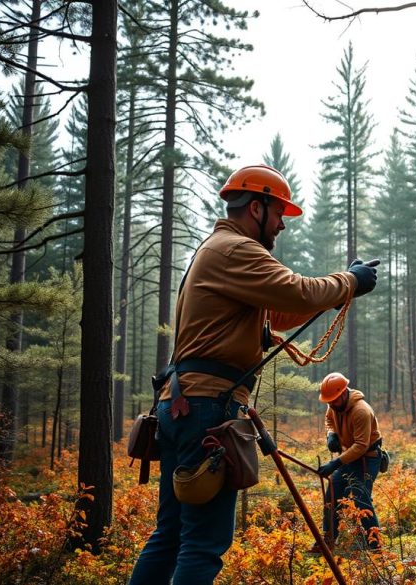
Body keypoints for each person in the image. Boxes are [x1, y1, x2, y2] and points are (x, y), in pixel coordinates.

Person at [130, 164, 379, 585]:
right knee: (202, 543)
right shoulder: (235, 250)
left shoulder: (217, 251)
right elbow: (296, 290)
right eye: (279, 212)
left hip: (183, 405)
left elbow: (281, 310)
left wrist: (339, 290)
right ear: (257, 207)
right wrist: (348, 281)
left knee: (172, 534)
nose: (282, 224)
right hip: (208, 409)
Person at [314, 371, 384, 552]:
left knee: (361, 498)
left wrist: (335, 463)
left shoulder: (361, 411)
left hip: (367, 459)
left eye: (333, 400)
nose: (330, 404)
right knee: (332, 495)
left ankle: (375, 546)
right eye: (328, 401)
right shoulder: (334, 405)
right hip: (349, 458)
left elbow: (361, 445)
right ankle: (327, 540)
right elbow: (329, 420)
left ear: (344, 392)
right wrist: (331, 435)